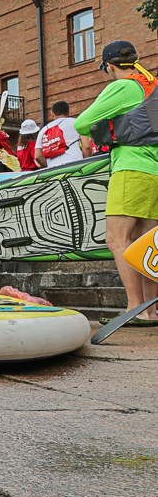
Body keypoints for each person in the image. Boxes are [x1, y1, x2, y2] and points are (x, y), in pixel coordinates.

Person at [74, 40, 158, 322]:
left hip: (130, 168)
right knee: (146, 243)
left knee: (117, 239)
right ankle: (151, 309)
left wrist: (101, 129)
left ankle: (135, 308)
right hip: (154, 172)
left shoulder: (121, 86)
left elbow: (82, 123)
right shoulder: (152, 85)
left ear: (109, 66)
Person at [35, 101, 88, 168]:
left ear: (52, 114)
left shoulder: (44, 130)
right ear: (68, 112)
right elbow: (87, 147)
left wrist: (48, 166)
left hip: (54, 170)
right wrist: (85, 163)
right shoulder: (77, 123)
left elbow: (37, 156)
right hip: (75, 165)